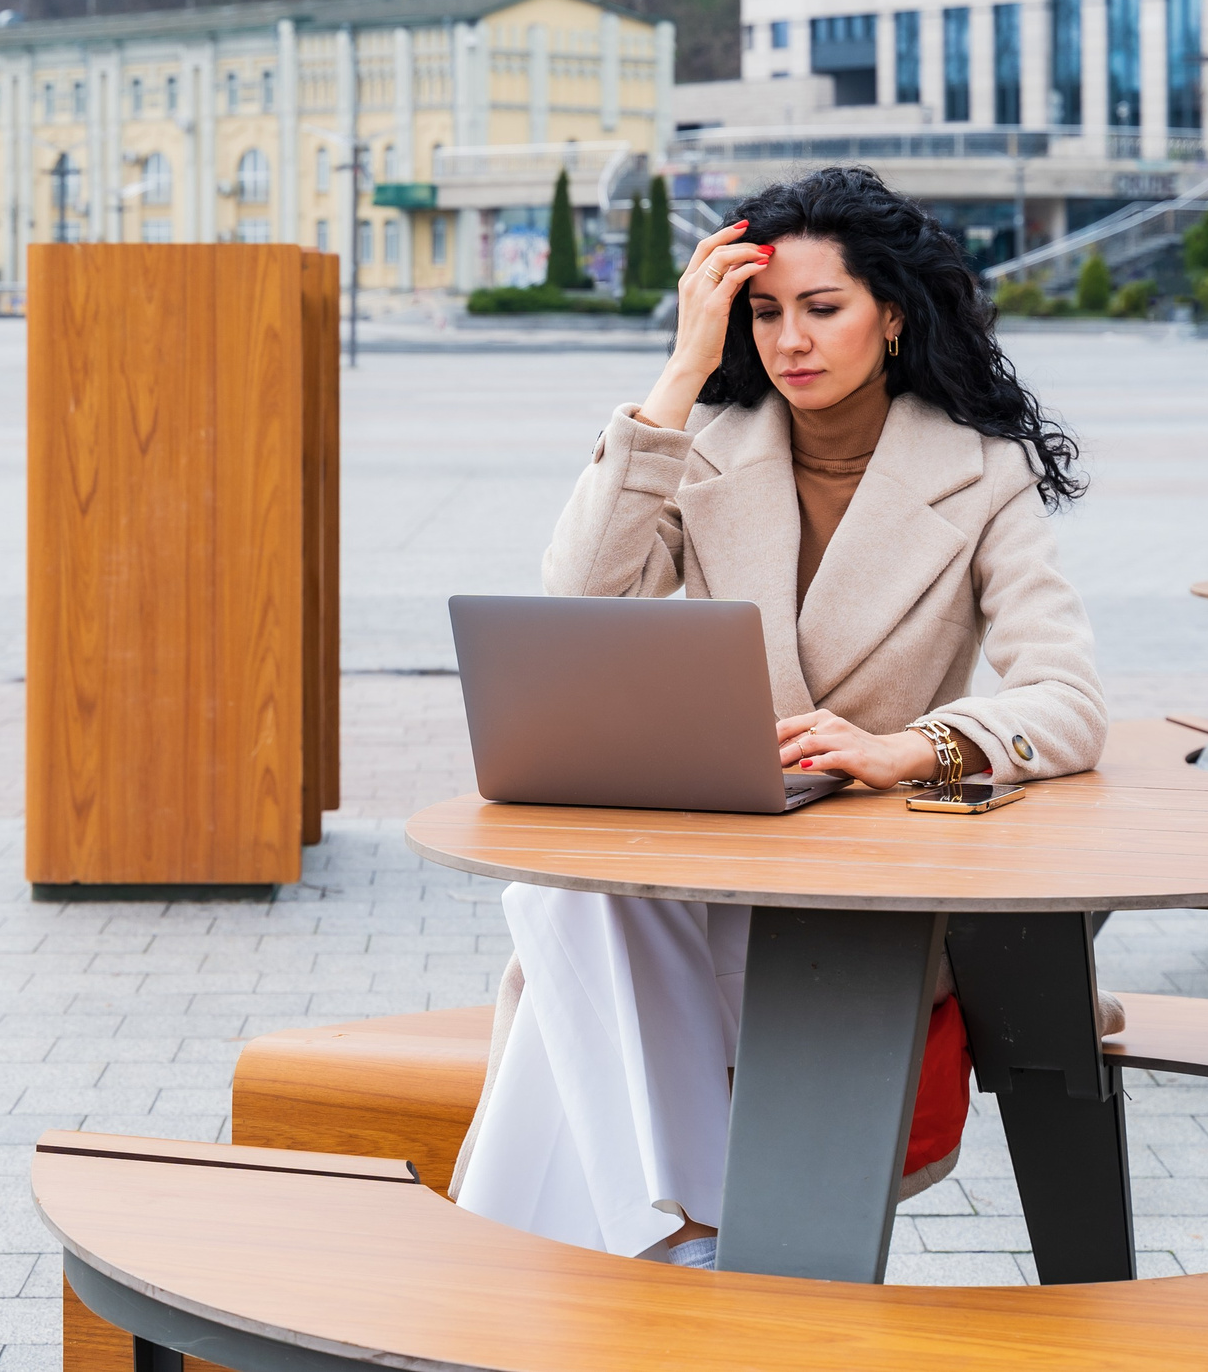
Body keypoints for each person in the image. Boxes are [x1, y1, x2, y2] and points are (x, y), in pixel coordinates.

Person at [449, 166, 1109, 1270]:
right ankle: (691, 1234)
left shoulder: (980, 472)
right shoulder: (711, 444)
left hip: (861, 895)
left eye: (822, 307)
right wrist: (679, 374)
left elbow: (1069, 700)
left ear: (891, 315)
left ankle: (559, 1265)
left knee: (566, 919)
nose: (790, 340)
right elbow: (582, 599)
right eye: (762, 313)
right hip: (720, 856)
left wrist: (908, 748)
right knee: (567, 894)